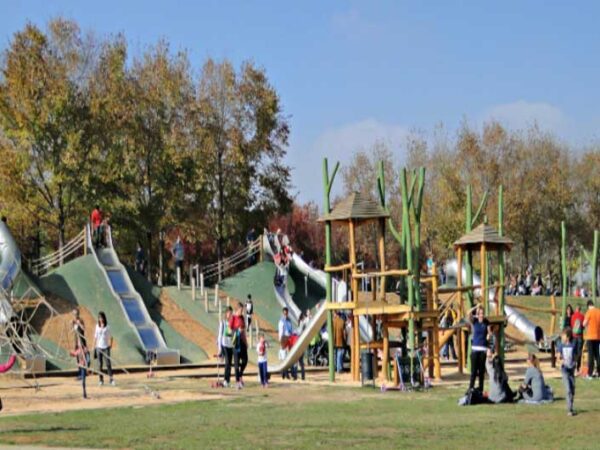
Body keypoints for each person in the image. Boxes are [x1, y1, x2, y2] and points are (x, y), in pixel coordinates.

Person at [466, 307, 492, 392]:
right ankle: (471, 389)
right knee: (473, 372)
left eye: (482, 313)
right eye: (480, 313)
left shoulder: (486, 322)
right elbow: (468, 313)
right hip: (475, 349)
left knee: (481, 372)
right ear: (477, 314)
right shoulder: (474, 321)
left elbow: (489, 332)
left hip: (483, 349)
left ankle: (480, 390)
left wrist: (489, 335)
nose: (481, 315)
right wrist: (476, 307)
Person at [558, 327, 577, 416]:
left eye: (563, 335)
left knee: (572, 390)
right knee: (568, 389)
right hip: (564, 370)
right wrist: (560, 361)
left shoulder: (573, 345)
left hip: (571, 370)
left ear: (568, 337)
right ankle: (569, 410)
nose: (562, 337)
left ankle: (571, 407)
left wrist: (575, 365)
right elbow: (558, 357)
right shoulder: (561, 346)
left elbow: (575, 357)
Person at [229, 302, 248, 388]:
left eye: (243, 310)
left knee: (245, 360)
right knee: (236, 364)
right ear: (237, 309)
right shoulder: (233, 318)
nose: (242, 312)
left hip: (242, 342)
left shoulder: (242, 318)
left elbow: (243, 331)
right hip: (236, 342)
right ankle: (237, 382)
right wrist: (237, 331)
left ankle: (240, 375)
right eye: (241, 310)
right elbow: (228, 331)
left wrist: (246, 342)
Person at [94, 311, 115, 386]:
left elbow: (111, 337)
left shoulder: (107, 327)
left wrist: (110, 345)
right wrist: (94, 346)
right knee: (100, 365)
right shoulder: (97, 326)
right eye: (99, 318)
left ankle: (111, 379)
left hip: (106, 347)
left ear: (104, 318)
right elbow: (95, 337)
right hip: (99, 347)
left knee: (108, 364)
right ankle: (101, 379)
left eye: (102, 317)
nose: (101, 319)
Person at [582, 299, 600, 379]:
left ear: (588, 306)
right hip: (598, 336)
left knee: (591, 356)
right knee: (597, 356)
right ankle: (599, 373)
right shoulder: (599, 312)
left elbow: (584, 323)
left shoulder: (589, 312)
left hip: (590, 336)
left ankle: (589, 373)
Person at [217, 307, 234, 387]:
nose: (230, 315)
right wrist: (220, 348)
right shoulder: (223, 323)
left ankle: (228, 380)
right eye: (229, 313)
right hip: (224, 344)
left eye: (231, 313)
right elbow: (220, 335)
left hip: (230, 345)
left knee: (230, 363)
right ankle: (225, 380)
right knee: (227, 363)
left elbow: (233, 334)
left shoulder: (232, 323)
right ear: (226, 313)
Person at [278, 307, 293, 379]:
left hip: (289, 338)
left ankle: (285, 372)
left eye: (286, 313)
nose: (285, 315)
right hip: (283, 338)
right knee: (283, 356)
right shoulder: (281, 321)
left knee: (288, 356)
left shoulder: (289, 320)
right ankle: (285, 373)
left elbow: (291, 330)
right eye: (284, 313)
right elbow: (280, 332)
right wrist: (281, 341)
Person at [570, 305, 585, 372]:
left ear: (576, 309)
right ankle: (578, 366)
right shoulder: (582, 316)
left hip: (574, 336)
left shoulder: (573, 316)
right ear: (580, 309)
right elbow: (583, 326)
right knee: (579, 351)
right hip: (580, 336)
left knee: (573, 351)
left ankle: (573, 365)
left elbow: (572, 325)